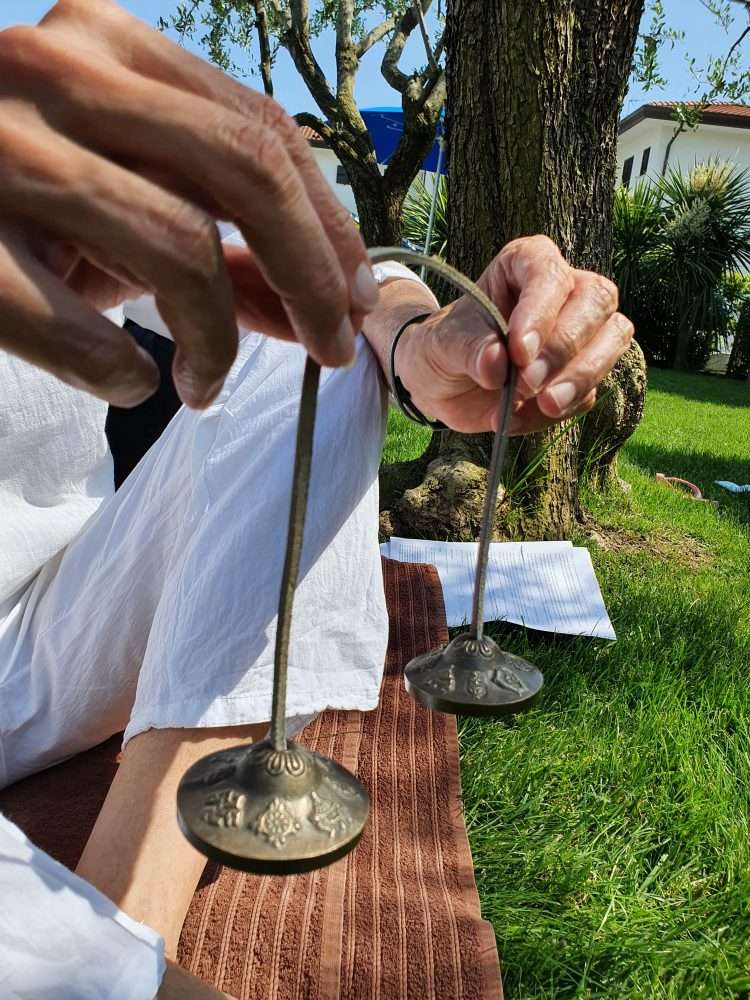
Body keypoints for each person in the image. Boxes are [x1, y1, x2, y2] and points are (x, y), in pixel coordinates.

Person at [0, 2, 634, 996]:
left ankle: (126, 906)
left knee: (317, 350)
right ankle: (103, 966)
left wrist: (424, 344)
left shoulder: (38, 125)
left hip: (43, 621)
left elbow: (331, 282)